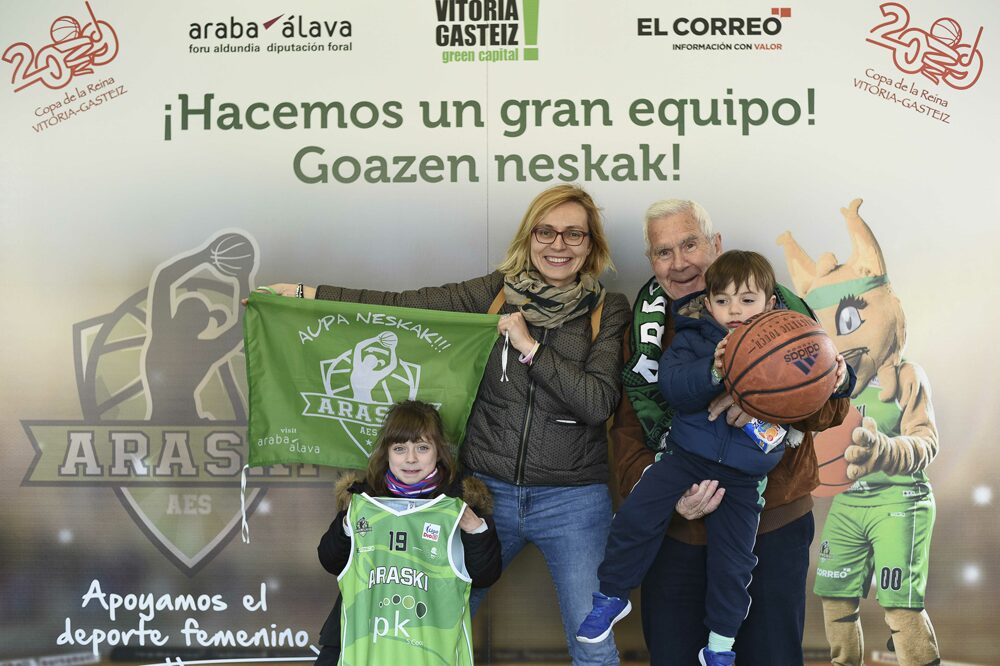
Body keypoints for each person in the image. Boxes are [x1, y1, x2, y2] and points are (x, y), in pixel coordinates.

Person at [269, 184, 631, 664]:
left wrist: (530, 348)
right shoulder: (496, 292)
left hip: (573, 501)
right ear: (529, 237)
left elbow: (598, 402)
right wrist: (307, 296)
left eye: (573, 234)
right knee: (422, 625)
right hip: (486, 491)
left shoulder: (608, 308)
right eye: (546, 232)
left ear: (591, 245)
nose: (558, 245)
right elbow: (405, 306)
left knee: (592, 640)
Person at [578, 251, 854, 666]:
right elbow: (658, 399)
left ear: (769, 302)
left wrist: (767, 398)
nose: (735, 310)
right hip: (684, 476)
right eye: (663, 251)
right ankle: (611, 596)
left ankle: (720, 646)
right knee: (635, 520)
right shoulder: (682, 332)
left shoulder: (792, 330)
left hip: (758, 497)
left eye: (689, 244)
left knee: (738, 576)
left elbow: (830, 404)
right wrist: (716, 372)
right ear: (708, 303)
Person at [315, 400, 502, 665]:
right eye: (400, 448)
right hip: (360, 637)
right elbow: (330, 560)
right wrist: (348, 524)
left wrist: (476, 530)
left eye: (422, 448)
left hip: (425, 646)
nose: (411, 459)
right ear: (387, 453)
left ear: (439, 452)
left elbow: (485, 575)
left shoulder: (458, 503)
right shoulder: (365, 496)